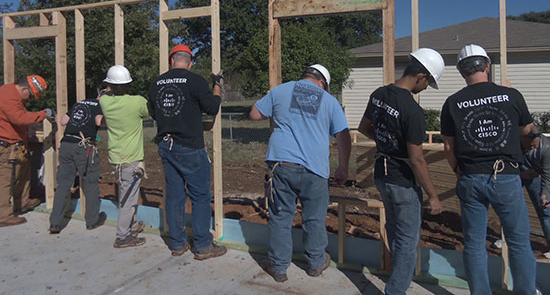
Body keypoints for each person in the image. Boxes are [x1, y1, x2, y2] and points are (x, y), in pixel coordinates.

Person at [440, 44, 536, 295]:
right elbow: (528, 132)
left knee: (473, 243)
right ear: (487, 66)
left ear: (462, 71)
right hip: (505, 177)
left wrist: (460, 172)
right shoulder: (511, 96)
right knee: (518, 242)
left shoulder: (452, 103)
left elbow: (449, 148)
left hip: (470, 177)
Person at [250, 64, 351, 282]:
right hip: (315, 170)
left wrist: (269, 100)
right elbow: (343, 135)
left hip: (282, 166)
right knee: (314, 219)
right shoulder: (330, 101)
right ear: (322, 82)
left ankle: (278, 268)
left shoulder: (281, 90)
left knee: (280, 218)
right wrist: (343, 168)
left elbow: (255, 114)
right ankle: (315, 263)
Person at [357, 48, 444, 295]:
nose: (426, 88)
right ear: (421, 76)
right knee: (407, 241)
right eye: (428, 83)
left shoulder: (379, 94)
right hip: (403, 181)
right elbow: (417, 160)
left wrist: (388, 145)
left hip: (381, 175)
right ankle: (396, 290)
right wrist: (433, 196)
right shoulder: (412, 111)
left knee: (395, 229)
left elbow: (364, 128)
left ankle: (396, 276)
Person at [148, 44, 226, 259]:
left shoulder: (156, 83)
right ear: (190, 63)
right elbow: (211, 107)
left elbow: (154, 112)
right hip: (190, 147)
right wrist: (217, 85)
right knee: (200, 196)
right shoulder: (195, 81)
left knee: (174, 196)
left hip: (166, 145)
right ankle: (202, 246)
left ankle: (178, 244)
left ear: (172, 61)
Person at [100, 66, 148, 248]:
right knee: (127, 199)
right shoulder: (137, 101)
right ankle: (122, 236)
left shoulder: (105, 101)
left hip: (116, 157)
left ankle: (133, 226)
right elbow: (151, 112)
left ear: (109, 85)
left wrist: (108, 88)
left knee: (128, 193)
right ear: (128, 84)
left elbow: (102, 94)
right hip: (131, 158)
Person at [49, 92, 106, 233]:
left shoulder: (79, 103)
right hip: (83, 146)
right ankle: (92, 221)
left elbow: (63, 121)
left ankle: (55, 223)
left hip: (67, 144)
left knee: (63, 184)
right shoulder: (100, 105)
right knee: (90, 183)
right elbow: (99, 121)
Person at [0, 75, 50, 227]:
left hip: (16, 144)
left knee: (24, 174)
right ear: (24, 89)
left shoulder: (11, 92)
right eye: (31, 95)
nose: (30, 99)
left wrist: (29, 129)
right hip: (7, 145)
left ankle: (23, 202)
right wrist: (43, 114)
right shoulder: (8, 97)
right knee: (5, 179)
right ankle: (3, 215)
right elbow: (19, 118)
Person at [520, 125, 550, 258]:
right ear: (523, 139)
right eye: (531, 145)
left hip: (536, 177)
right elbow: (506, 165)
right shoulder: (513, 143)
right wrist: (521, 174)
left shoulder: (546, 148)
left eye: (536, 146)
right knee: (511, 208)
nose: (533, 147)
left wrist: (544, 195)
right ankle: (507, 241)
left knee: (545, 211)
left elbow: (547, 174)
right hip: (517, 175)